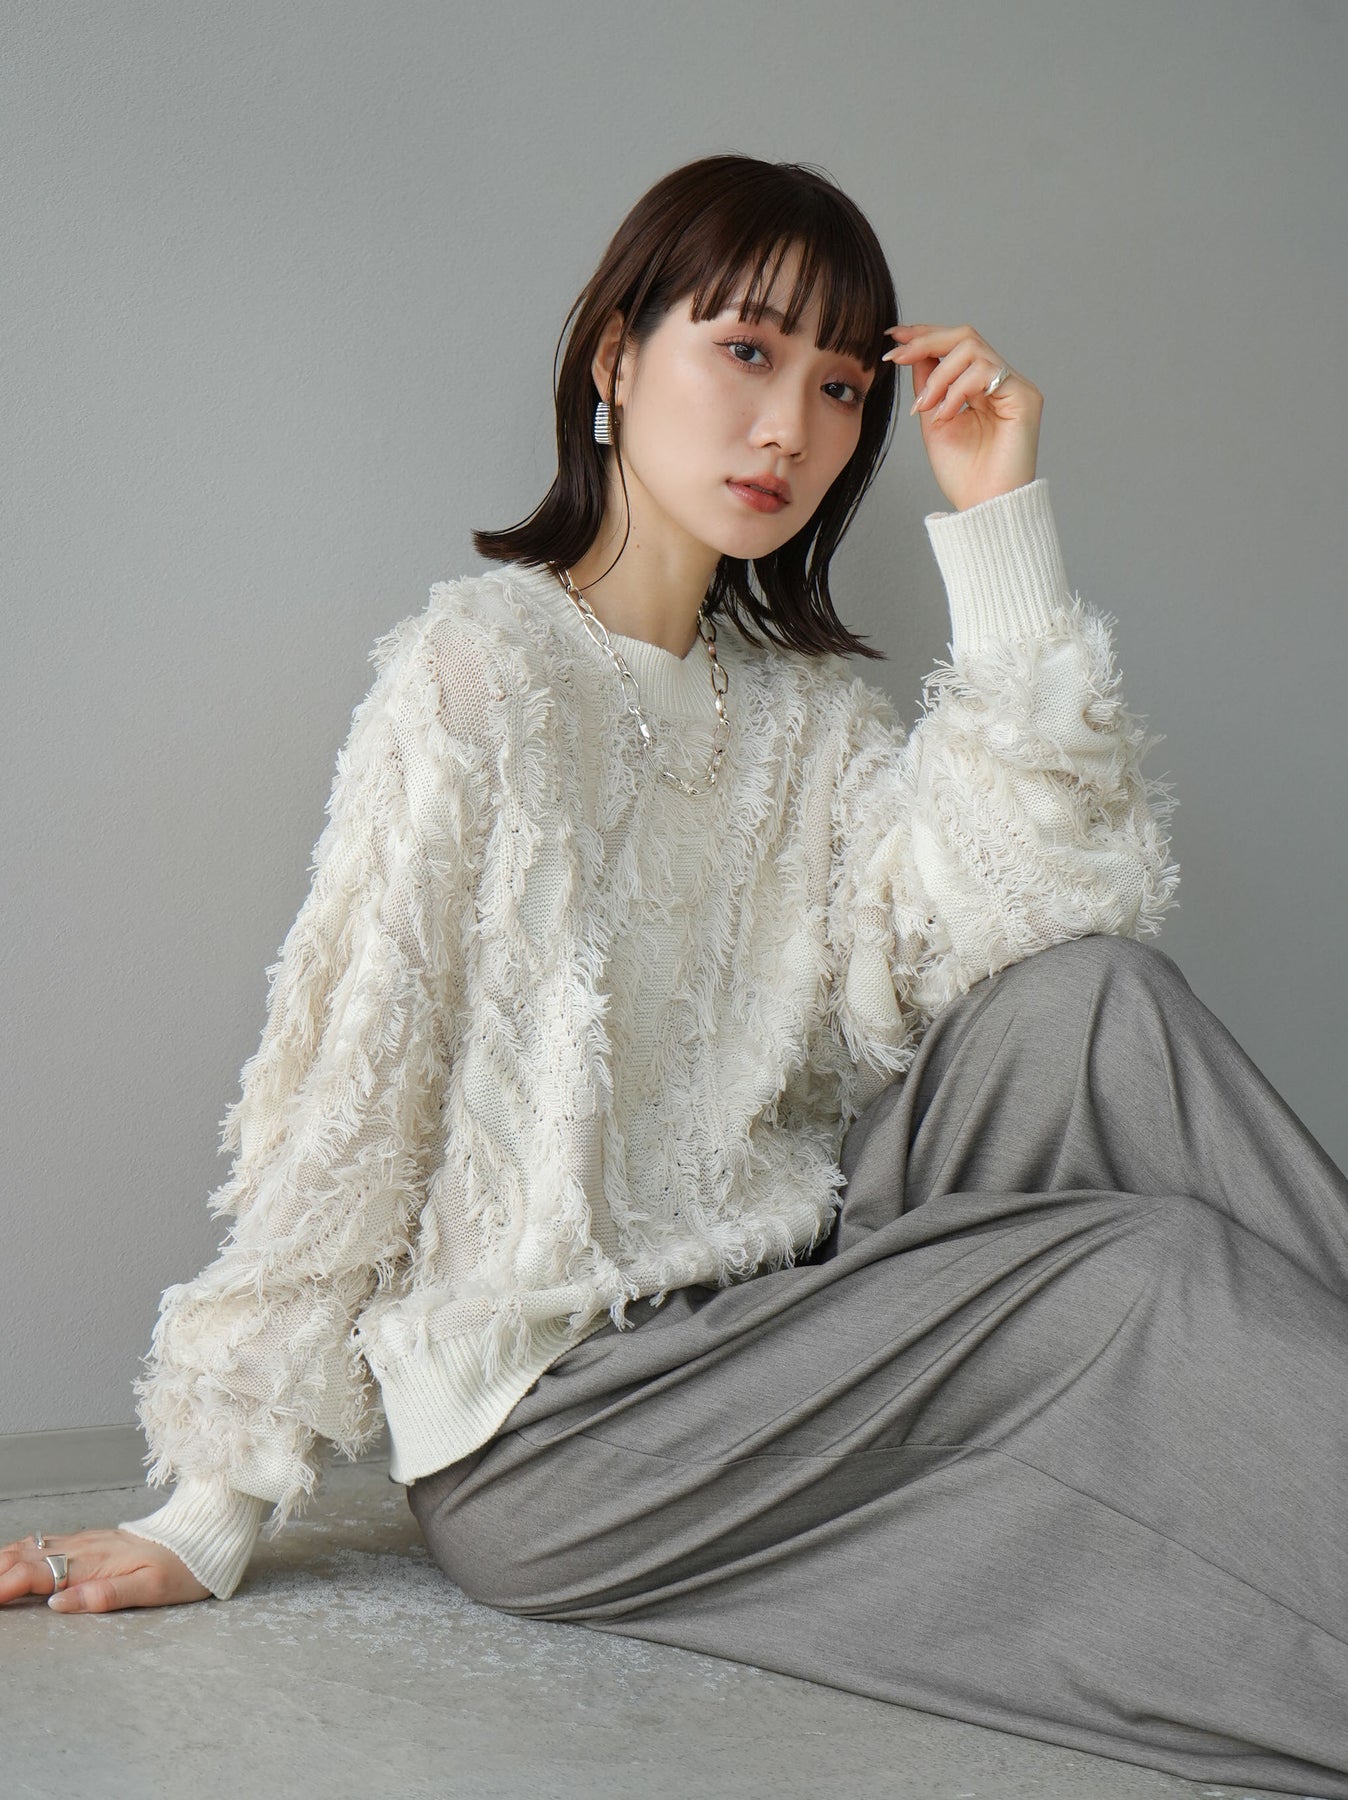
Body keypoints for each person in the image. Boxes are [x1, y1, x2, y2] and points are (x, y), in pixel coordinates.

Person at [4, 153, 1346, 1796]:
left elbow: (1048, 911)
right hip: (570, 1428)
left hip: (785, 1306)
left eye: (839, 386)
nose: (791, 427)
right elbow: (355, 1090)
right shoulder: (477, 675)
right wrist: (210, 1510)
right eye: (746, 352)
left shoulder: (813, 720)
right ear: (614, 360)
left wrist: (999, 526)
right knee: (1136, 1275)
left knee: (1096, 1005)